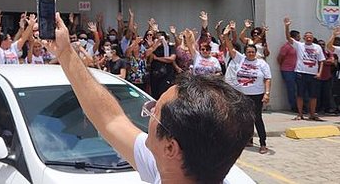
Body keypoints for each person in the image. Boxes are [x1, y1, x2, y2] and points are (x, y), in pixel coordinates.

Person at [43, 12, 255, 183]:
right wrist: (66, 53)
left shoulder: (171, 167)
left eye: (155, 111)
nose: (148, 113)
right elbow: (111, 120)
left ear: (170, 148)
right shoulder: (172, 168)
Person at [223, 25, 271, 154]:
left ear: (256, 53)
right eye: (248, 52)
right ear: (245, 53)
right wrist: (226, 35)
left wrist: (267, 94)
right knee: (243, 118)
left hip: (257, 95)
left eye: (253, 52)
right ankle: (248, 140)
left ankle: (263, 143)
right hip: (242, 95)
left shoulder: (262, 63)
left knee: (257, 118)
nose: (251, 54)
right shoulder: (240, 59)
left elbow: (267, 79)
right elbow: (230, 47)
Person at [283, 17, 325, 121]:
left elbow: (321, 61)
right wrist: (287, 26)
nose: (308, 38)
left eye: (310, 37)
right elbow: (288, 38)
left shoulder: (317, 47)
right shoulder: (299, 45)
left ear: (312, 38)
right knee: (300, 94)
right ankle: (300, 114)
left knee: (313, 96)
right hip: (301, 73)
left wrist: (319, 73)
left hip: (313, 74)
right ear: (304, 38)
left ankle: (312, 114)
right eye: (306, 37)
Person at [277, 30, 300, 112]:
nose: (299, 38)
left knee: (299, 89)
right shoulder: (286, 46)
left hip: (297, 70)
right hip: (288, 70)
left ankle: (301, 105)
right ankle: (293, 106)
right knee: (291, 89)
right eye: (298, 37)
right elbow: (279, 58)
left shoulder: (299, 46)